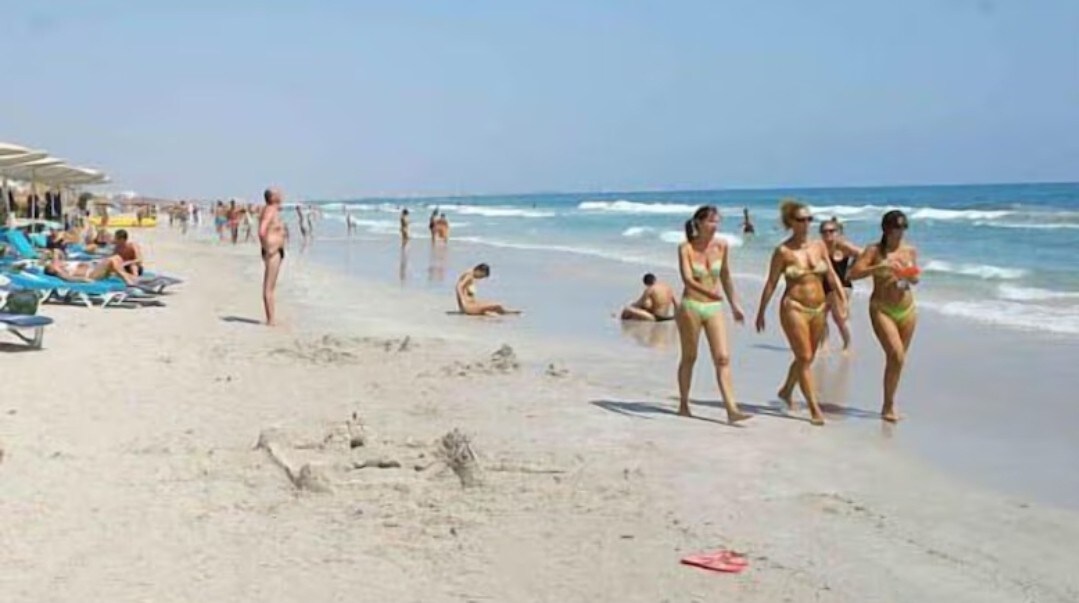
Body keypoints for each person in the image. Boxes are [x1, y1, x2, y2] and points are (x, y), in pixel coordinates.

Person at [755, 200, 848, 426]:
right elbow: (771, 282)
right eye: (801, 219)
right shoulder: (783, 251)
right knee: (805, 357)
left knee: (807, 356)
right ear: (791, 222)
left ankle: (786, 390)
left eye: (809, 219)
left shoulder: (819, 246)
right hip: (794, 307)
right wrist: (761, 311)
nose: (806, 223)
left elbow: (831, 275)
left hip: (819, 308)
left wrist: (842, 298)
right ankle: (814, 408)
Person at [675, 205, 751, 423]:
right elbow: (687, 279)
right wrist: (709, 292)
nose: (715, 226)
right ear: (699, 223)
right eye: (710, 221)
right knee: (690, 357)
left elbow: (725, 276)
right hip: (691, 306)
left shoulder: (722, 246)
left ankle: (731, 409)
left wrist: (735, 305)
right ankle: (683, 403)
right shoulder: (685, 248)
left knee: (722, 358)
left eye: (717, 221)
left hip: (714, 308)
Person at [848, 210, 919, 423]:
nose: (901, 232)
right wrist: (879, 267)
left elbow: (914, 279)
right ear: (886, 229)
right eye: (897, 227)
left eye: (904, 227)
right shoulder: (874, 250)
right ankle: (888, 406)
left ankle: (888, 403)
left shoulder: (909, 250)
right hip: (882, 308)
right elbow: (852, 274)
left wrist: (907, 275)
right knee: (896, 354)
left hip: (906, 309)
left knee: (898, 360)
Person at [819, 217, 861, 352]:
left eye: (831, 231)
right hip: (824, 285)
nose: (828, 234)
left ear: (838, 232)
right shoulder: (820, 247)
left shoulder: (843, 246)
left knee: (839, 317)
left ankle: (847, 345)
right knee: (820, 316)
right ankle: (824, 344)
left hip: (842, 284)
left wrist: (852, 269)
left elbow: (862, 254)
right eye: (824, 231)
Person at [259, 188, 286, 326]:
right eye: (278, 193)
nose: (282, 194)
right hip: (272, 251)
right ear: (272, 197)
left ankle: (272, 318)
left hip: (275, 250)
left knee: (271, 287)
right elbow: (261, 231)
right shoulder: (270, 210)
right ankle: (270, 320)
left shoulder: (273, 210)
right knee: (269, 287)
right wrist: (268, 247)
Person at [43, 249, 138, 286]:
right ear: (52, 270)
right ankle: (128, 280)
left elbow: (57, 253)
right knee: (111, 260)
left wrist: (49, 254)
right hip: (91, 275)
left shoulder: (62, 265)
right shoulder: (61, 273)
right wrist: (84, 280)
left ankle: (130, 278)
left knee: (117, 258)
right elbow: (70, 279)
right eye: (51, 265)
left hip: (94, 269)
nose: (53, 263)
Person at [455, 263, 519, 316]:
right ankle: (505, 312)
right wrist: (463, 301)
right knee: (497, 305)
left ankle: (492, 313)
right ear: (479, 271)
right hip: (468, 308)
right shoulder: (469, 276)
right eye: (481, 276)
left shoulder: (469, 274)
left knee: (491, 307)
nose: (480, 278)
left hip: (470, 306)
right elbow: (459, 286)